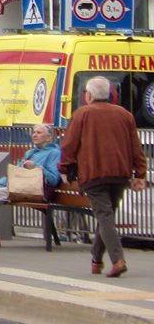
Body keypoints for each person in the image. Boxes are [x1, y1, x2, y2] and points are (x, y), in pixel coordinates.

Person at [58, 76, 148, 278]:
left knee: (104, 216)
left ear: (88, 95)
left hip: (93, 174)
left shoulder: (82, 114)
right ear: (109, 94)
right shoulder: (125, 115)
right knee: (105, 216)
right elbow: (136, 147)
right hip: (120, 174)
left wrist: (64, 168)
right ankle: (96, 260)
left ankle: (118, 260)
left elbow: (69, 145)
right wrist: (139, 173)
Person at [0, 123, 60, 248]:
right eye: (33, 132)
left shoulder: (54, 153)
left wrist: (36, 167)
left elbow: (53, 179)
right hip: (22, 186)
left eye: (39, 133)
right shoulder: (31, 152)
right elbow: (18, 172)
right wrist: (4, 182)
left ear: (49, 137)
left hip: (36, 190)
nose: (34, 135)